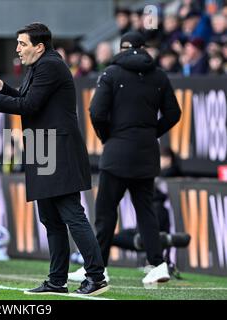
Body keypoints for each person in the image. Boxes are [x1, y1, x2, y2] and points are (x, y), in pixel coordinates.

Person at [0, 23, 108, 296]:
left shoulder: (50, 66)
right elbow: (27, 98)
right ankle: (57, 280)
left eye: (22, 44)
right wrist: (1, 86)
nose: (17, 49)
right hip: (42, 150)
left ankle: (96, 276)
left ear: (39, 46)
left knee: (72, 215)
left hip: (59, 151)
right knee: (51, 219)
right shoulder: (39, 65)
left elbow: (29, 106)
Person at [70, 31, 181, 286]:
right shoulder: (159, 75)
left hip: (117, 152)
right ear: (144, 48)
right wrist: (152, 133)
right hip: (146, 153)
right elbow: (174, 113)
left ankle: (98, 268)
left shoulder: (111, 73)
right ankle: (158, 264)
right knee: (147, 212)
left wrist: (108, 136)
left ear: (121, 48)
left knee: (106, 212)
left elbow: (96, 112)